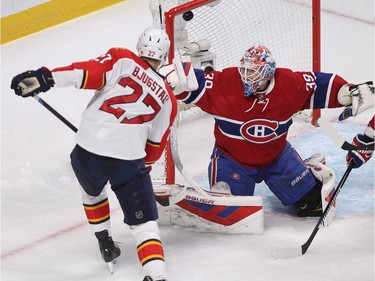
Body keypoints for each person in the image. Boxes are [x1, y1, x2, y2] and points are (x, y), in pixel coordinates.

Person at [10, 27, 176, 281]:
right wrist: (140, 170)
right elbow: (154, 147)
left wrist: (45, 78)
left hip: (86, 153)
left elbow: (86, 73)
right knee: (144, 227)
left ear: (140, 47)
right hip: (127, 163)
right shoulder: (168, 98)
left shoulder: (122, 59)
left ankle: (105, 242)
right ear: (163, 57)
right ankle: (156, 275)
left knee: (92, 192)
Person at [162, 44, 374, 218]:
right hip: (232, 160)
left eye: (253, 71)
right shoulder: (225, 84)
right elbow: (192, 80)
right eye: (244, 69)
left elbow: (319, 85)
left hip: (277, 158)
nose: (246, 76)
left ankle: (309, 168)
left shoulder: (289, 85)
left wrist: (348, 91)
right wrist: (172, 77)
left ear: (267, 72)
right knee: (230, 214)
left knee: (314, 206)